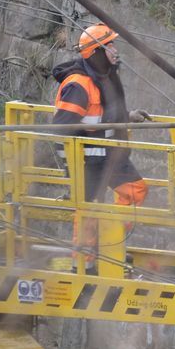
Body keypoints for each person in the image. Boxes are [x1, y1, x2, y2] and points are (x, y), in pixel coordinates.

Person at [51, 23, 148, 269]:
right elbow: (61, 127)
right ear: (95, 52)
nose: (115, 50)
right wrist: (72, 168)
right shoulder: (79, 85)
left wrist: (127, 115)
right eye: (110, 45)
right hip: (87, 160)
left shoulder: (103, 77)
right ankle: (83, 264)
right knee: (88, 211)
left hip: (108, 156)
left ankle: (108, 241)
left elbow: (102, 114)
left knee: (135, 191)